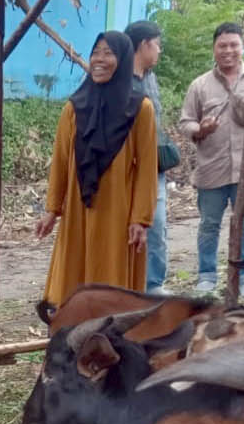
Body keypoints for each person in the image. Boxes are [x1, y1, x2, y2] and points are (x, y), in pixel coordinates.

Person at [35, 30, 158, 309]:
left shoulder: (141, 108)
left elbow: (147, 169)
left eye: (108, 53)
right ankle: (69, 330)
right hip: (79, 210)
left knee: (110, 276)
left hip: (117, 211)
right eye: (96, 52)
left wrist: (140, 219)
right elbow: (62, 161)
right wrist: (52, 209)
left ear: (124, 59)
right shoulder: (74, 108)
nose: (99, 59)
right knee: (72, 278)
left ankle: (109, 334)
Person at [179, 21, 244, 294]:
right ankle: (207, 276)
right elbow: (185, 122)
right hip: (211, 169)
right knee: (209, 225)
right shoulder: (200, 85)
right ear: (214, 49)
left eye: (234, 45)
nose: (228, 50)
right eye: (222, 45)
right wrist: (199, 129)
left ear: (243, 48)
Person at [125, 19, 171, 292]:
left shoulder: (151, 78)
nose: (159, 51)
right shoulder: (118, 81)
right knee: (130, 228)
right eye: (157, 45)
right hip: (129, 171)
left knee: (157, 228)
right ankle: (129, 286)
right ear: (144, 45)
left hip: (155, 170)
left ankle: (153, 287)